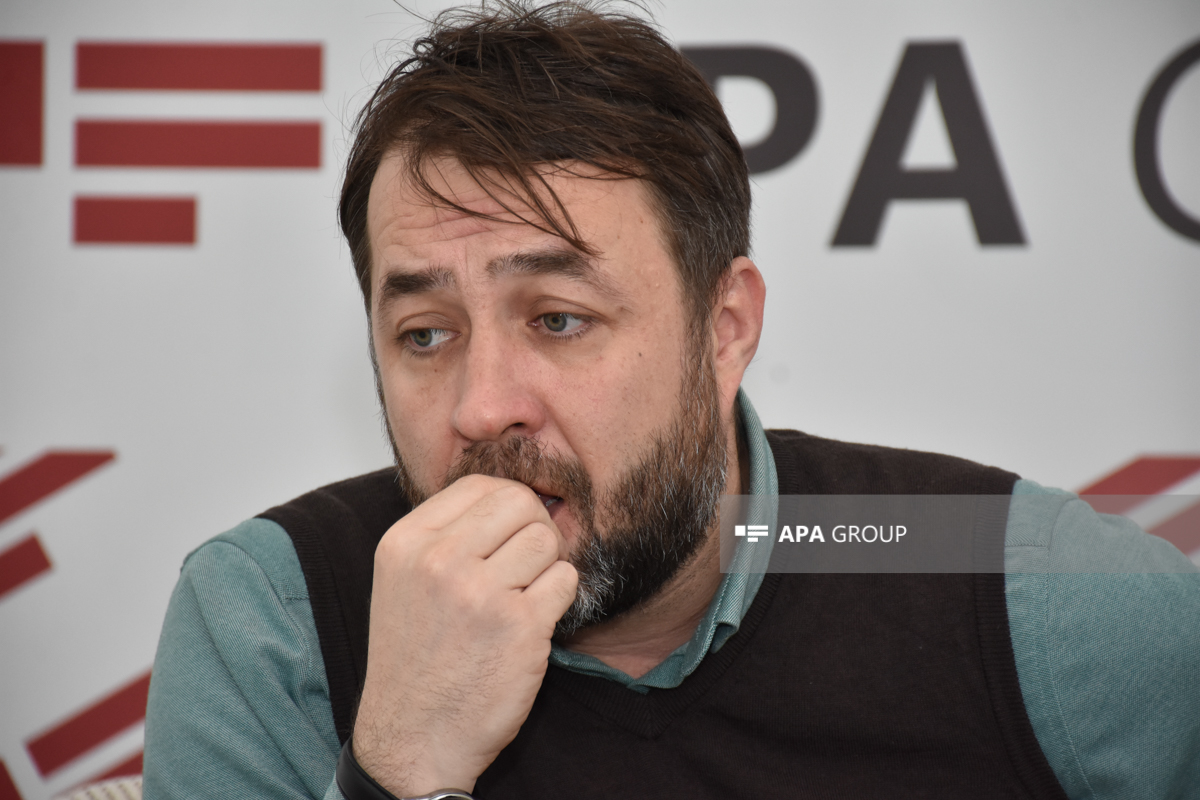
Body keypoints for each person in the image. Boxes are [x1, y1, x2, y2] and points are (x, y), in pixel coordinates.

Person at [143, 3, 1200, 799]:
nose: (482, 407)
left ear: (725, 326)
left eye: (558, 318)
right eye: (426, 334)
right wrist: (402, 767)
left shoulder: (1009, 589)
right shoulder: (278, 619)